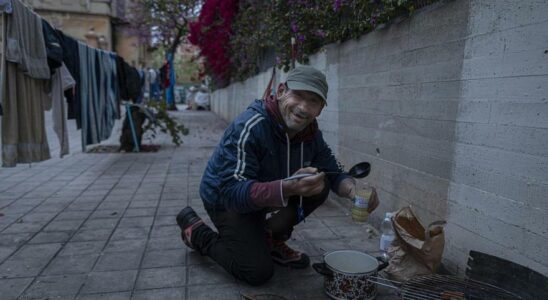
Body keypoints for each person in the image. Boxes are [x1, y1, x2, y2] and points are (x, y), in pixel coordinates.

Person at [176, 66, 379, 286]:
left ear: (320, 109)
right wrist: (289, 187)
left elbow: (333, 169)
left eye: (313, 101)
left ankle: (271, 240)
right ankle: (198, 234)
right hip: (224, 198)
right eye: (298, 95)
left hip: (266, 193)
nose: (303, 107)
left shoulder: (311, 132)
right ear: (281, 91)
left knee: (321, 185)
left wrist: (353, 191)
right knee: (256, 272)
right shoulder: (251, 126)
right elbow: (233, 192)